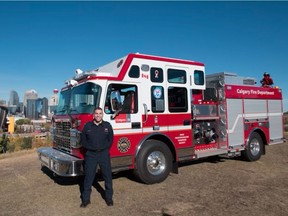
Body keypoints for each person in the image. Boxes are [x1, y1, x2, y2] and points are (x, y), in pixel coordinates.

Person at [80, 107, 114, 207]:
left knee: (108, 177)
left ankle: (109, 199)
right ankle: (85, 200)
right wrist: (90, 148)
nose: (98, 115)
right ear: (93, 115)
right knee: (88, 177)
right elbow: (83, 140)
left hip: (104, 154)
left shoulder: (107, 126)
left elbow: (110, 140)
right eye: (96, 113)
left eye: (100, 113)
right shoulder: (87, 126)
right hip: (91, 155)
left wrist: (104, 149)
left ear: (102, 115)